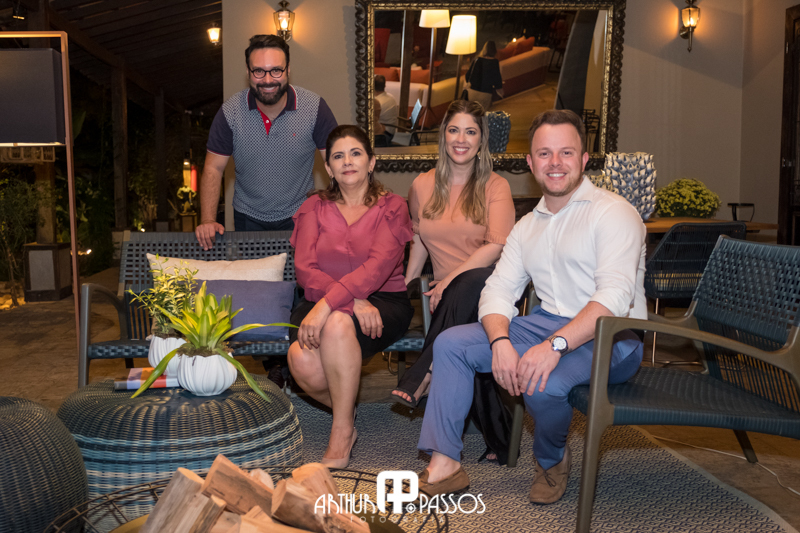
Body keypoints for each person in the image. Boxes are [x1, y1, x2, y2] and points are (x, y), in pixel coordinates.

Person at [415, 109, 646, 503]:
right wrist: (500, 341)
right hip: (545, 323)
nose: (555, 163)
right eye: (544, 153)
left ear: (583, 159)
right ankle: (445, 464)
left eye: (566, 153)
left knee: (543, 380)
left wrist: (554, 346)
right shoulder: (527, 226)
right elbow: (497, 290)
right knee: (451, 344)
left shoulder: (614, 213)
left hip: (614, 335)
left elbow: (613, 298)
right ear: (530, 162)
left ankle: (551, 460)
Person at [391, 99, 516, 462]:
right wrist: (405, 283)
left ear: (481, 140)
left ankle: (424, 370)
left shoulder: (495, 186)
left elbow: (496, 246)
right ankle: (503, 440)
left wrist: (448, 282)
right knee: (463, 345)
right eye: (454, 130)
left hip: (491, 290)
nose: (461, 139)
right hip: (445, 298)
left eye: (471, 132)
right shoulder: (422, 185)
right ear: (443, 135)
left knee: (469, 283)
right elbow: (419, 239)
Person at [287, 125, 414, 469]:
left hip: (383, 300)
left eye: (356, 153)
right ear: (328, 168)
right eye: (338, 156)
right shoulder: (313, 207)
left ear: (371, 162)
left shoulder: (393, 207)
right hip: (322, 300)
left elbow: (377, 268)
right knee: (301, 361)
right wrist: (350, 301)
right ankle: (347, 411)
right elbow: (305, 270)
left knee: (338, 323)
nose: (347, 161)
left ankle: (342, 431)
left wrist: (330, 305)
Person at [195, 34, 338, 250]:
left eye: (276, 70)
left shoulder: (315, 108)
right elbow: (213, 168)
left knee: (300, 273)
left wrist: (341, 207)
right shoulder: (230, 112)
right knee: (254, 273)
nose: (268, 80)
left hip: (300, 214)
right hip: (248, 216)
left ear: (288, 70)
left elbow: (337, 162)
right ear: (248, 72)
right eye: (259, 71)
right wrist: (207, 220)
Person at [465, 41, 504, 110]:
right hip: (485, 94)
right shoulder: (494, 62)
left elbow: (467, 76)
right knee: (482, 113)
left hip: (472, 92)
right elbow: (497, 81)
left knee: (472, 113)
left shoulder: (476, 60)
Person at [374, 74, 398, 146]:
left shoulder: (377, 103)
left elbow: (373, 121)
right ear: (384, 85)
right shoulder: (391, 97)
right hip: (392, 130)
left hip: (385, 135)